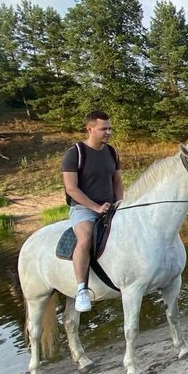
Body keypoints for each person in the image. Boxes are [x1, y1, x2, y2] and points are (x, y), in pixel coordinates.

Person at [61, 110, 123, 312]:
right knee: (85, 238)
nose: (108, 132)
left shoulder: (112, 152)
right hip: (83, 208)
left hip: (111, 207)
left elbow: (117, 181)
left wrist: (121, 203)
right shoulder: (75, 154)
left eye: (110, 128)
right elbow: (71, 189)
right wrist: (95, 207)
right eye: (104, 128)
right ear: (90, 129)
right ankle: (82, 290)